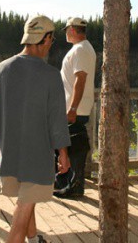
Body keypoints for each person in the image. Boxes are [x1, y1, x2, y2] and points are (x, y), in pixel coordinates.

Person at [0, 15, 71, 243]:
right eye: (51, 41)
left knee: (26, 200)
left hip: (10, 154)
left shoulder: (3, 68)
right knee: (22, 209)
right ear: (46, 39)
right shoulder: (51, 75)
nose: (50, 47)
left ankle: (33, 239)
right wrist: (63, 153)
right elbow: (57, 120)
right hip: (37, 156)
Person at [56, 17, 96, 198]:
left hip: (75, 108)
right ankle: (69, 183)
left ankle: (75, 186)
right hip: (74, 106)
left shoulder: (80, 50)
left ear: (72, 29)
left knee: (75, 146)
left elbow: (81, 79)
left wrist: (72, 108)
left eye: (66, 29)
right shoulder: (83, 48)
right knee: (73, 145)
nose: (65, 33)